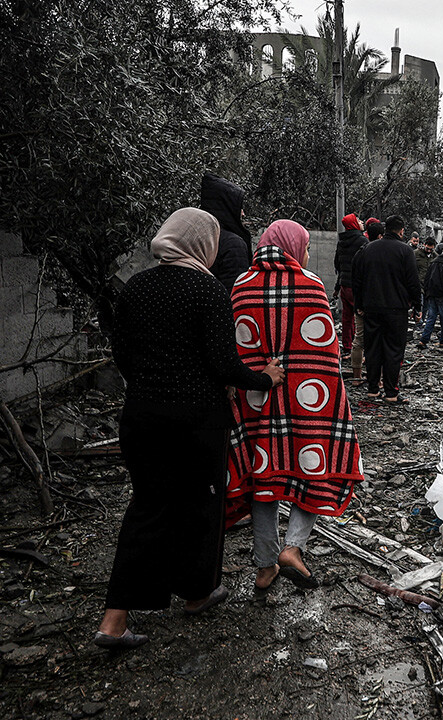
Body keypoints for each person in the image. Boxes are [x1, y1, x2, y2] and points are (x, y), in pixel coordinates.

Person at [95, 208, 285, 650]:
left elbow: (122, 354)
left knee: (147, 508)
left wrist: (150, 383)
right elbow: (225, 365)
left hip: (141, 418)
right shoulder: (207, 290)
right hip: (197, 422)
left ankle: (114, 618)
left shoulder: (136, 286)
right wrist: (266, 378)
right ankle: (198, 592)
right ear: (203, 244)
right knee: (202, 508)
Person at [227, 220, 363, 592]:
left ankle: (264, 565)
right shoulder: (310, 285)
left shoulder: (240, 285)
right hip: (308, 402)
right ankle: (294, 548)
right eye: (303, 248)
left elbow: (237, 348)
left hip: (257, 401)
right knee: (312, 468)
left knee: (264, 478)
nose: (305, 254)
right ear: (292, 247)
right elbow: (327, 354)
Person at [352, 216, 421, 401]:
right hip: (396, 309)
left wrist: (359, 304)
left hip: (371, 308)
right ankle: (391, 393)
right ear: (401, 231)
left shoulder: (367, 249)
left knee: (372, 348)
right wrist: (417, 306)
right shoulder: (406, 251)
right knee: (394, 350)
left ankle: (373, 389)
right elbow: (413, 282)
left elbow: (357, 280)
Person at [201, 173, 253, 291]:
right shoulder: (233, 244)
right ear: (227, 206)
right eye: (239, 207)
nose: (243, 213)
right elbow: (236, 291)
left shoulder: (196, 237)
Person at [349, 220, 385, 382]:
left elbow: (355, 283)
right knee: (380, 341)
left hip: (363, 306)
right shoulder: (385, 255)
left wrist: (359, 305)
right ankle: (379, 379)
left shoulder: (360, 253)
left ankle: (357, 377)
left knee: (359, 340)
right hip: (380, 306)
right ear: (380, 236)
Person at [334, 213, 367, 355]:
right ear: (354, 224)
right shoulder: (362, 241)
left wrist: (337, 286)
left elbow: (338, 265)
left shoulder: (341, 242)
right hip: (357, 287)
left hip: (344, 285)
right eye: (358, 220)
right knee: (362, 318)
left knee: (347, 318)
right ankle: (360, 348)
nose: (361, 222)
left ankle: (347, 346)